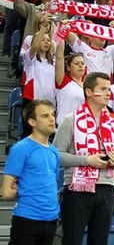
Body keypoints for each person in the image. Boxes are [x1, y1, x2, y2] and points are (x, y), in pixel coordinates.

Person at [54, 72, 114, 245]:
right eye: (103, 89)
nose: (109, 93)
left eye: (109, 89)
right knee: (72, 239)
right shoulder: (71, 119)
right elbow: (56, 155)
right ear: (89, 92)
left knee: (100, 241)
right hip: (77, 190)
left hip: (107, 188)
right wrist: (86, 161)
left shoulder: (113, 122)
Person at [1, 100, 59, 245]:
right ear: (32, 121)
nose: (52, 119)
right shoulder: (21, 149)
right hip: (27, 221)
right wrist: (27, 190)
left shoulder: (54, 151)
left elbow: (51, 185)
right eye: (45, 116)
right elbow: (6, 192)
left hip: (51, 219)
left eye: (52, 114)